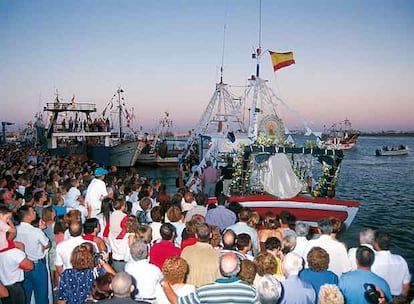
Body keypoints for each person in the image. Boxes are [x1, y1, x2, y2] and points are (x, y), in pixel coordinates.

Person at [164, 252, 258, 304]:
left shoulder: (204, 291)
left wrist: (166, 285)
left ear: (220, 269)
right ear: (238, 269)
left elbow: (177, 302)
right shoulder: (251, 291)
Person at [15, 205, 50, 304]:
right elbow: (47, 244)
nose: (35, 213)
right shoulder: (36, 231)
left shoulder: (15, 230)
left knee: (25, 294)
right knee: (41, 295)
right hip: (37, 265)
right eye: (33, 212)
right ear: (27, 216)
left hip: (22, 264)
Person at [371, 230, 411, 297]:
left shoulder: (372, 260)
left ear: (375, 243)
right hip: (397, 299)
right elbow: (406, 285)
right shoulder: (401, 260)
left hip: (380, 298)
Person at [180, 223, 221, 288]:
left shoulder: (185, 251)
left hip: (190, 294)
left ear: (196, 235)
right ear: (210, 235)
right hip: (208, 293)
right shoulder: (218, 255)